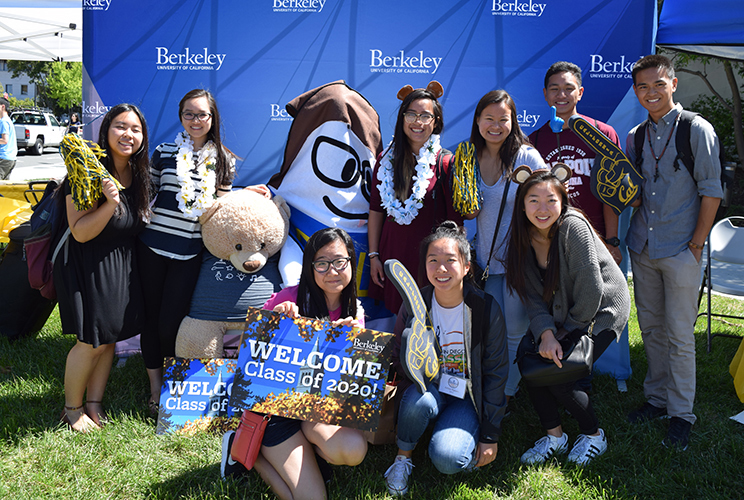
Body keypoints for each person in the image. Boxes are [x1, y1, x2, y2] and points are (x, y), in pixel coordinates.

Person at [137, 89, 269, 412]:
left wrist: (243, 194)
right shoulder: (164, 153)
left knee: (171, 323)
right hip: (152, 249)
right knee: (151, 320)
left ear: (212, 119)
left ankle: (173, 383)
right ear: (180, 117)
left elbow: (220, 205)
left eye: (202, 115)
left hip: (189, 254)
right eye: (189, 114)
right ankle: (156, 390)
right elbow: (146, 194)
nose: (196, 121)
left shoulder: (224, 159)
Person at [221, 227, 368, 500]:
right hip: (274, 413)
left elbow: (351, 385)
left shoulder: (354, 311)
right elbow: (245, 356)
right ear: (309, 267)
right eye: (322, 264)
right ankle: (246, 452)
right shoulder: (288, 299)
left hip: (315, 411)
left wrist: (351, 345)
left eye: (339, 261)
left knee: (353, 451)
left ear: (350, 263)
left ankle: (307, 451)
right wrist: (272, 324)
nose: (332, 271)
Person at [625, 55, 723, 450]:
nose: (651, 92)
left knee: (681, 335)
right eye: (643, 87)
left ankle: (682, 414)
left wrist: (696, 245)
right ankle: (657, 399)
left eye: (658, 85)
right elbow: (629, 191)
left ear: (674, 84)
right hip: (643, 246)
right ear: (636, 91)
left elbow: (712, 190)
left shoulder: (695, 128)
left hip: (682, 248)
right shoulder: (635, 135)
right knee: (650, 328)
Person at [504, 168, 629, 465]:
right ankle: (555, 437)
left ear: (563, 202)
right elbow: (532, 297)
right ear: (522, 205)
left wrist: (565, 333)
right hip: (561, 312)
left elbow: (592, 290)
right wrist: (546, 333)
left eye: (550, 200)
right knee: (530, 359)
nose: (542, 209)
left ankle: (593, 434)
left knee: (560, 375)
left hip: (601, 310)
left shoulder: (574, 227)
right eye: (533, 201)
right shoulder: (522, 236)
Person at [384, 221, 508, 496]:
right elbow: (396, 357)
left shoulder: (486, 309)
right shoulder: (416, 304)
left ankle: (452, 434)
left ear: (466, 267)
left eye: (450, 260)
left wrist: (490, 436)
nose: (441, 268)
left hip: (467, 396)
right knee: (420, 401)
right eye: (433, 260)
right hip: (428, 388)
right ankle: (403, 457)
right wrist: (412, 361)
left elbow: (497, 372)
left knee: (448, 460)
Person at [56, 103, 152, 432]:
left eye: (135, 129)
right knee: (90, 341)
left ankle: (94, 403)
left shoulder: (139, 174)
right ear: (106, 130)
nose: (128, 134)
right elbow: (81, 232)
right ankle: (72, 408)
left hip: (121, 266)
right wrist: (110, 203)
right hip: (88, 265)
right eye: (120, 127)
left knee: (109, 340)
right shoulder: (86, 171)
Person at [460, 90, 546, 401]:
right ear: (478, 121)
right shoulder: (467, 156)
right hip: (485, 262)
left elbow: (549, 203)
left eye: (503, 119)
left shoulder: (526, 157)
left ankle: (506, 395)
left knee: (514, 331)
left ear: (513, 121)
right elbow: (467, 211)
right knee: (489, 331)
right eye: (489, 119)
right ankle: (491, 387)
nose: (496, 126)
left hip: (519, 261)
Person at [368, 82, 461, 316]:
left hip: (428, 262)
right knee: (394, 324)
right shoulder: (386, 160)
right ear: (402, 118)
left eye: (425, 116)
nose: (417, 122)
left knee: (427, 322)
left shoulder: (446, 163)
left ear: (436, 121)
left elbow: (455, 225)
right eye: (411, 114)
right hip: (392, 255)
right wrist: (374, 256)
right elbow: (377, 211)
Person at [528, 61, 623, 264]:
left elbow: (612, 193)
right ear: (545, 94)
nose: (561, 95)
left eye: (569, 89)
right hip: (550, 241)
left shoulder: (603, 134)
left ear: (580, 93)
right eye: (555, 89)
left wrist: (612, 241)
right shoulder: (533, 141)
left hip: (596, 238)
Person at [0, 96, 17, 180]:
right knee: (4, 187)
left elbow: (4, 140)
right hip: (10, 158)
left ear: (2, 106)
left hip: (3, 158)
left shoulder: (3, 121)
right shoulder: (8, 120)